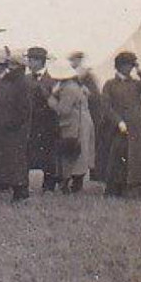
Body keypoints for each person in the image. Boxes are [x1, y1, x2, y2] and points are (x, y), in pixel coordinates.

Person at [101, 51, 141, 197]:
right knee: (118, 158)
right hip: (119, 128)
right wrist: (118, 121)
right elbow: (106, 107)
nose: (129, 68)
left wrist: (140, 70)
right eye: (127, 65)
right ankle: (117, 190)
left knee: (138, 158)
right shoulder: (110, 85)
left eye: (131, 65)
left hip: (138, 128)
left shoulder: (136, 84)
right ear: (118, 66)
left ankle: (138, 190)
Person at [45, 56, 96, 193]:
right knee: (78, 155)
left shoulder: (68, 89)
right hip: (81, 123)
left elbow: (64, 110)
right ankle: (73, 185)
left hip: (74, 125)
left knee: (70, 155)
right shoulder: (76, 86)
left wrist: (51, 101)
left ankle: (68, 185)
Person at [0, 48, 34, 201]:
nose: (10, 67)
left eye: (13, 64)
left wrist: (11, 123)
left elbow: (23, 109)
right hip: (9, 127)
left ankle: (21, 192)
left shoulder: (20, 83)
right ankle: (18, 190)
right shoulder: (14, 81)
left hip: (15, 128)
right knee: (13, 161)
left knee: (17, 161)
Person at [25, 46, 59, 193]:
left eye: (32, 60)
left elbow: (57, 104)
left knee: (49, 156)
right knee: (26, 155)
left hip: (47, 125)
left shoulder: (53, 81)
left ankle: (49, 187)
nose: (29, 63)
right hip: (29, 124)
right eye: (29, 60)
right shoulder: (25, 79)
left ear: (41, 61)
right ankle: (22, 186)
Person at [74, 54, 109, 183]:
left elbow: (95, 98)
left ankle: (86, 177)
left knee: (87, 146)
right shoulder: (78, 76)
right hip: (79, 116)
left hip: (89, 115)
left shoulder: (87, 77)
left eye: (76, 60)